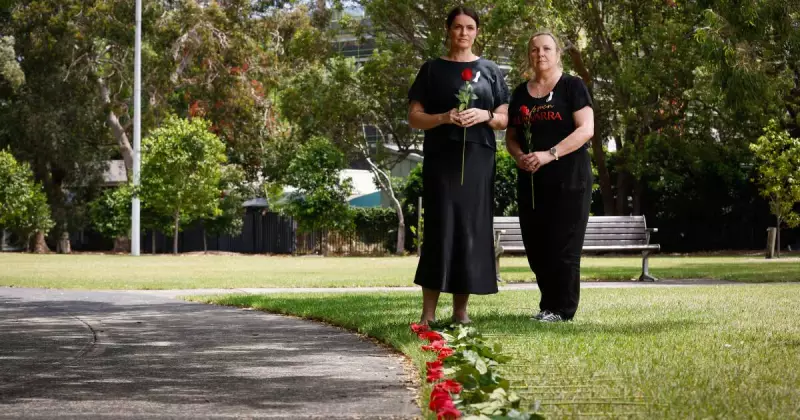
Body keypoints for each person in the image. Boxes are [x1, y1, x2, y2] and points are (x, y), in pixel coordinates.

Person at [407, 6, 509, 325]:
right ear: (448, 30)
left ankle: (460, 313)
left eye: (469, 27)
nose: (463, 33)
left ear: (477, 31)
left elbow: (506, 118)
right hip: (441, 160)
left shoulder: (491, 70)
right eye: (457, 27)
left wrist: (485, 115)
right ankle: (427, 315)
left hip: (479, 161)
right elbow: (414, 117)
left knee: (468, 230)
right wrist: (443, 117)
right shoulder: (432, 70)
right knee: (440, 229)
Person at [506, 31, 595, 323]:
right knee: (537, 245)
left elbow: (586, 130)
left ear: (557, 53)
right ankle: (548, 306)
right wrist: (520, 156)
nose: (540, 54)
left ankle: (563, 310)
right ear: (528, 56)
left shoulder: (573, 86)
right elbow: (511, 137)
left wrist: (549, 154)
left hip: (569, 178)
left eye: (546, 48)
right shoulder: (520, 93)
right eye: (534, 50)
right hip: (532, 181)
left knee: (564, 245)